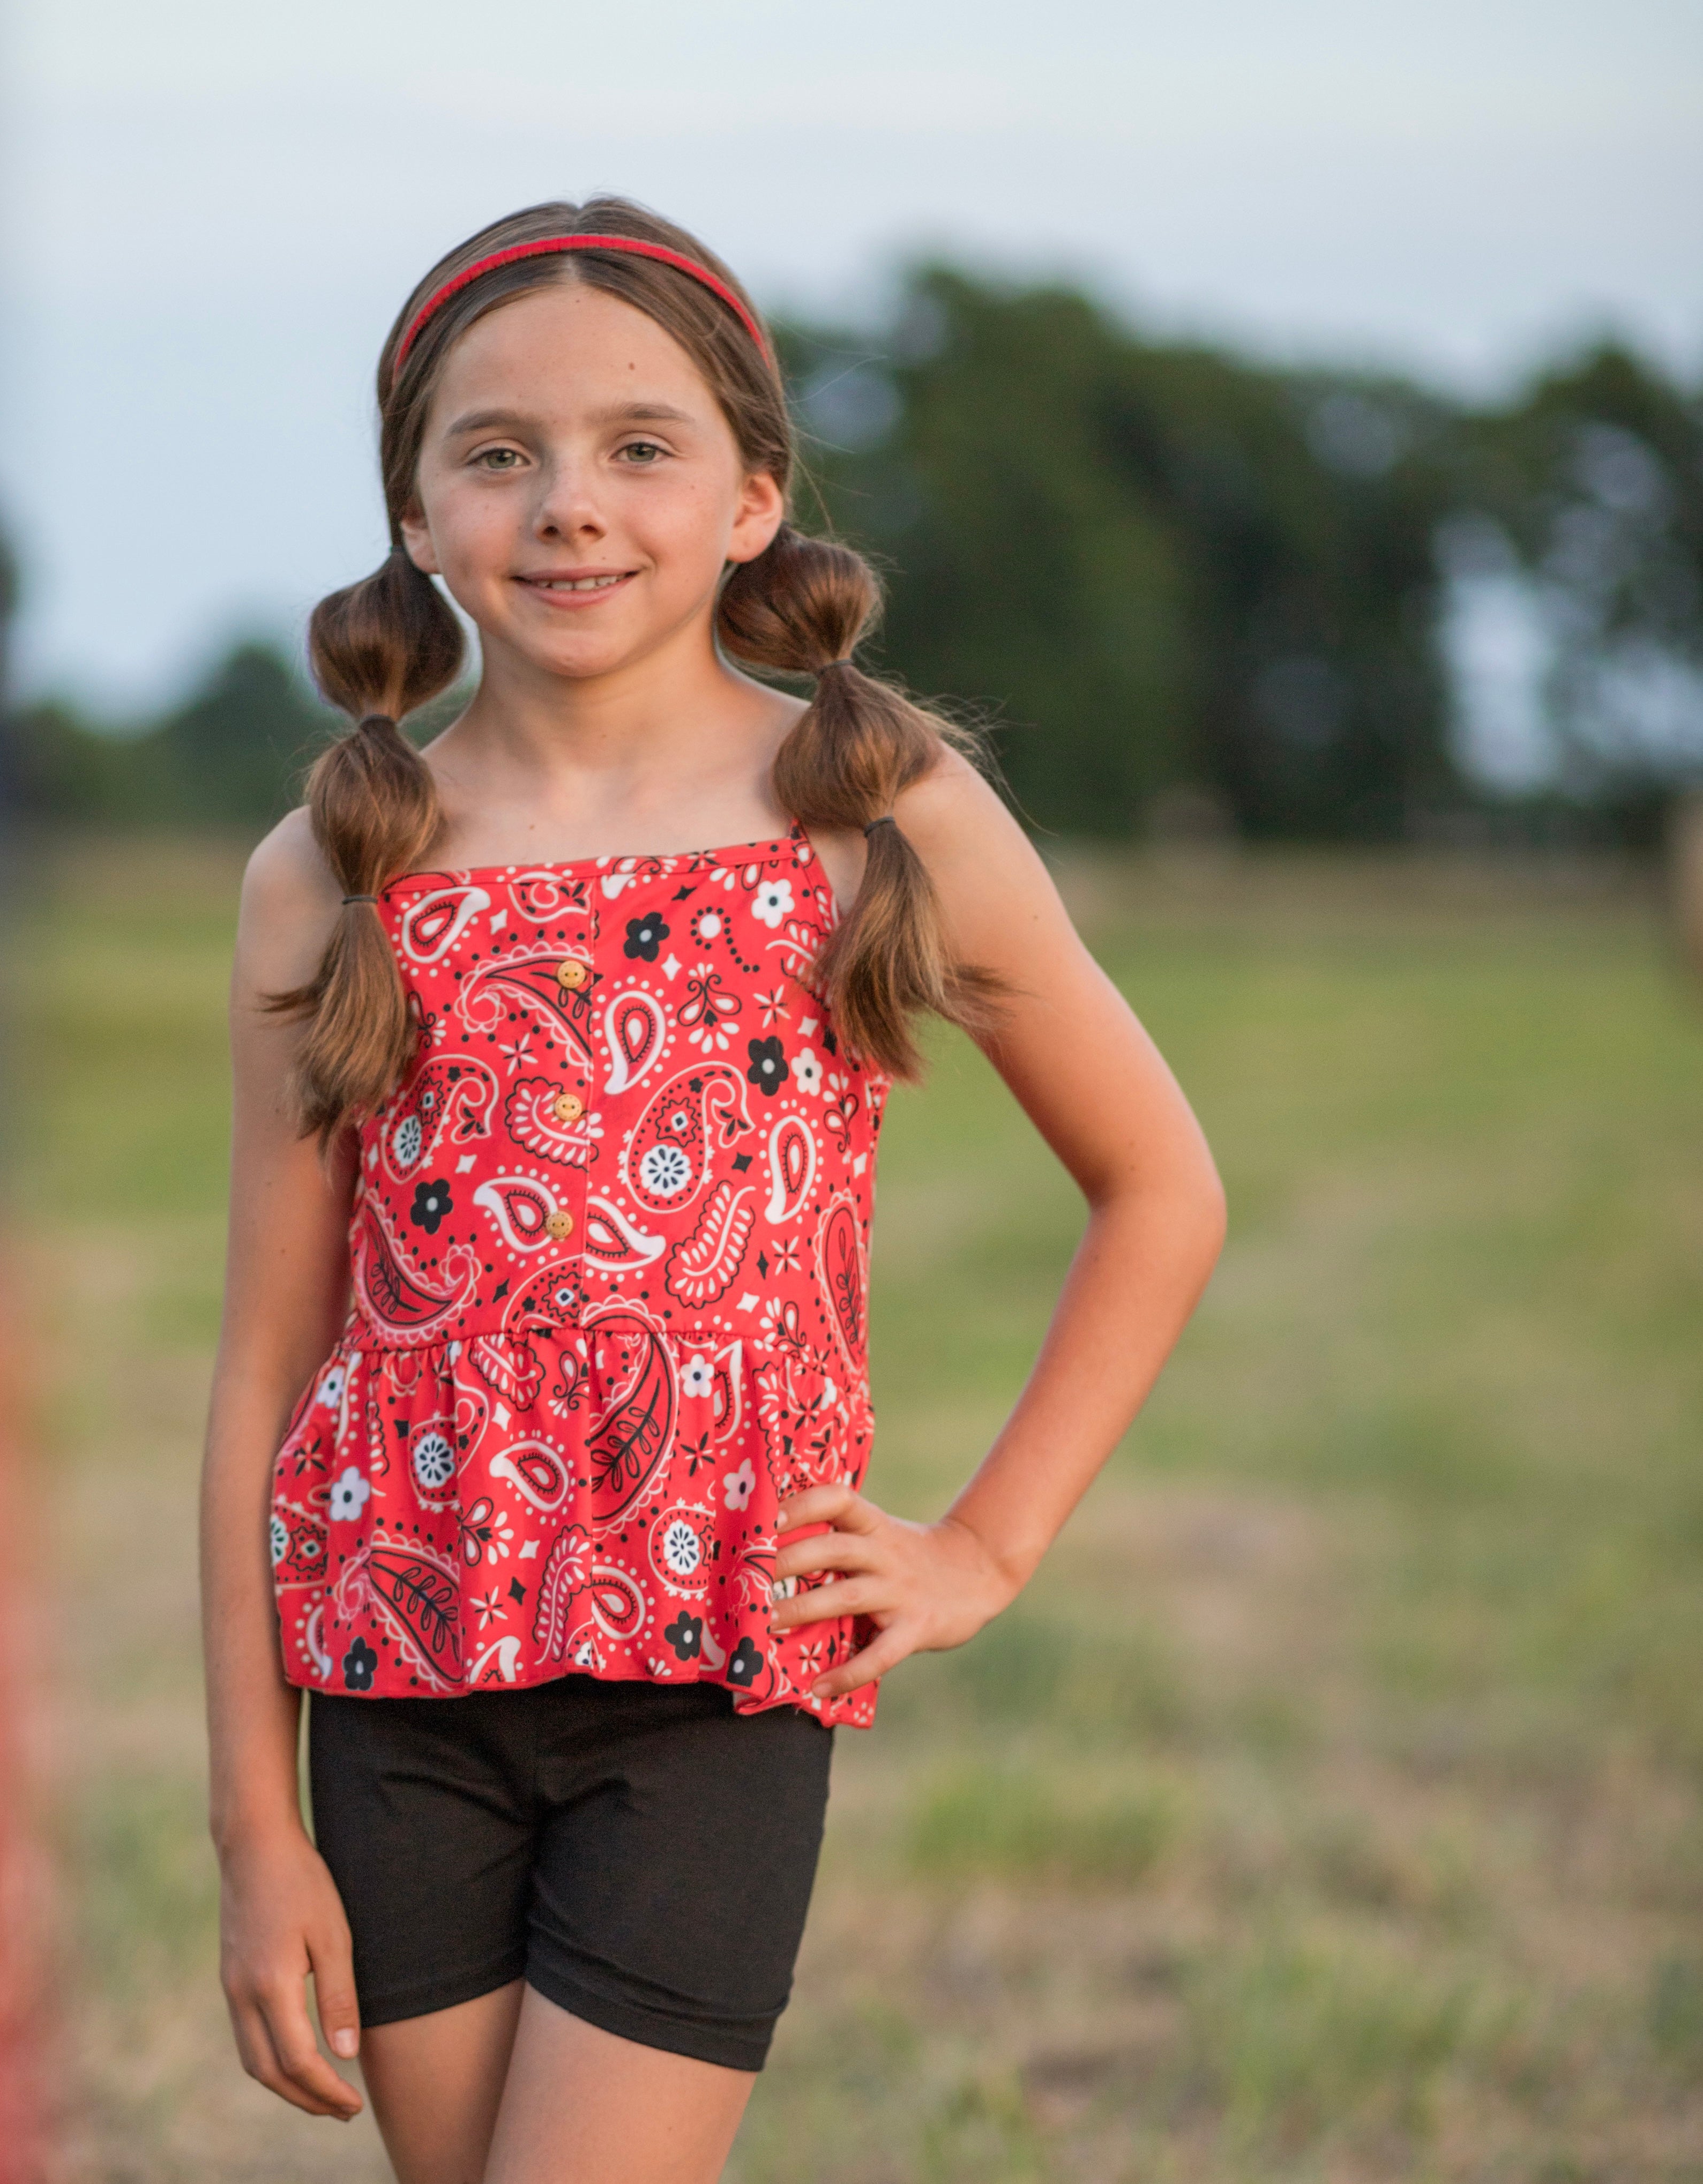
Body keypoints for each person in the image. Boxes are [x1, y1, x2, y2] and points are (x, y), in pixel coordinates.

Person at [199, 197, 1227, 2184]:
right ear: (415, 509)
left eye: (638, 446)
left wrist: (983, 1551)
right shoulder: (331, 871)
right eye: (496, 452)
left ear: (754, 495)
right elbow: (265, 1364)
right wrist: (255, 1820)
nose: (568, 504)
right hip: (393, 1694)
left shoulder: (868, 817)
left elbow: (1156, 1184)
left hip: (713, 1679)